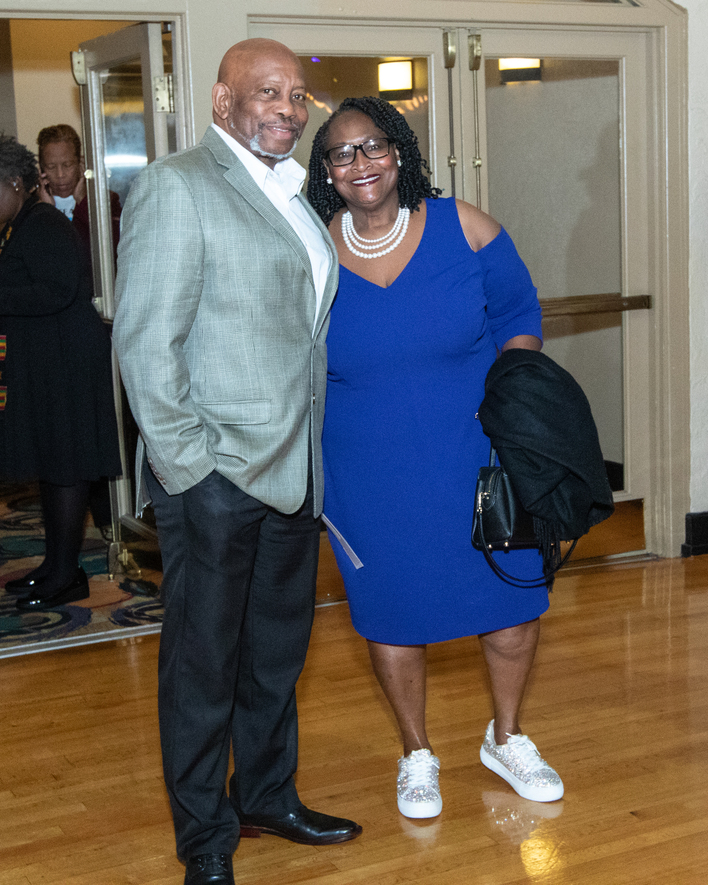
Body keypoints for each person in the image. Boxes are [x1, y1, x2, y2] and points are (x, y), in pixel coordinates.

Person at [112, 39, 361, 885]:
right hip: (215, 475)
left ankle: (266, 795)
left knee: (274, 656)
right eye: (267, 92)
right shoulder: (178, 186)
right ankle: (205, 838)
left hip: (294, 474)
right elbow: (145, 343)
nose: (288, 108)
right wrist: (191, 470)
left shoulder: (293, 193)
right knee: (203, 665)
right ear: (223, 102)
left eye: (297, 95)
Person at [307, 96, 564, 821]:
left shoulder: (465, 226)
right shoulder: (312, 249)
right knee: (392, 613)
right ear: (326, 171)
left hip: (480, 457)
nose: (360, 162)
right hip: (365, 470)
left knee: (511, 602)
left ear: (400, 151)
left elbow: (518, 315)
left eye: (373, 145)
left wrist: (513, 388)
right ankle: (416, 752)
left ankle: (506, 737)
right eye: (341, 153)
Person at [0, 135, 121, 610]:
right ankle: (54, 566)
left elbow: (57, 289)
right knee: (54, 468)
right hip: (50, 363)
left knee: (67, 468)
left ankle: (67, 575)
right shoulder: (24, 224)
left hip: (68, 365)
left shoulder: (44, 223)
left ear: (15, 183)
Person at [36, 123, 122, 269]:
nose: (60, 175)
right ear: (42, 169)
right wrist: (45, 212)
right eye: (51, 167)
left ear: (80, 163)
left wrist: (83, 202)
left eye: (67, 165)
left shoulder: (106, 201)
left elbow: (114, 249)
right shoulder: (32, 207)